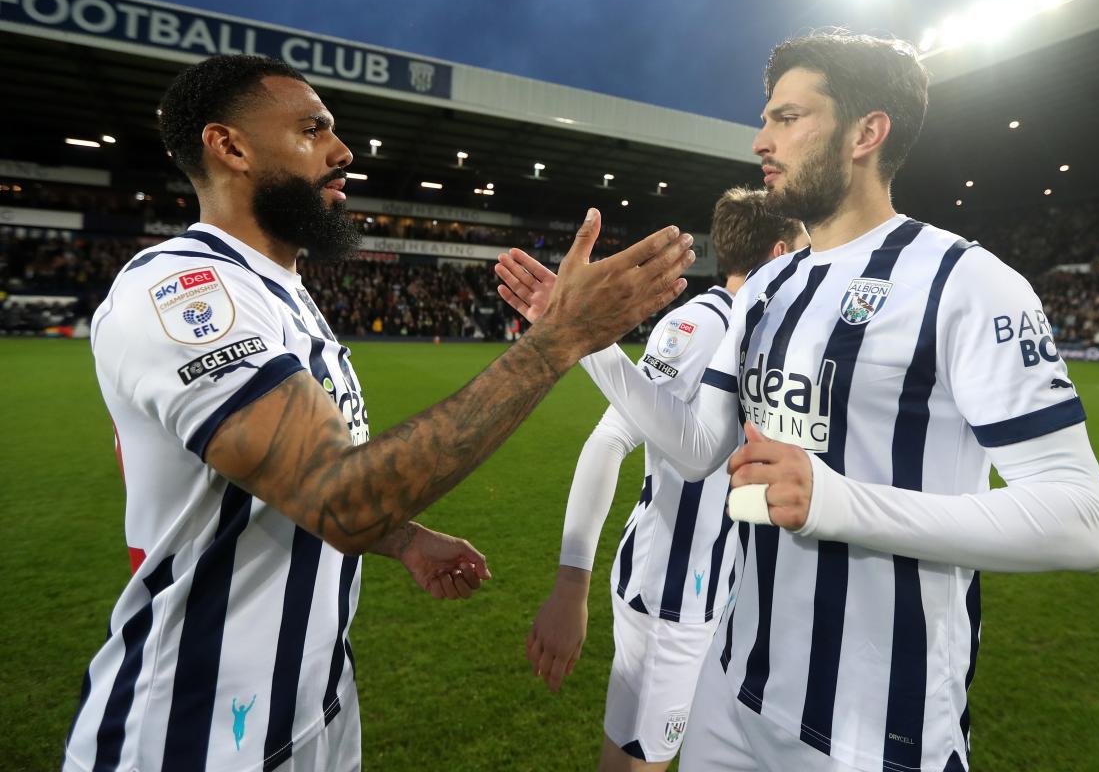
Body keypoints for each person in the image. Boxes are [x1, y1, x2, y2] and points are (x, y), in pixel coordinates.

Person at [500, 33, 1099, 772]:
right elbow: (699, 448)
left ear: (867, 132)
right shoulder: (769, 288)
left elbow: (1083, 521)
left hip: (877, 732)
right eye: (766, 119)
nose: (762, 141)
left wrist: (835, 500)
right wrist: (583, 342)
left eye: (789, 118)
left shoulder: (966, 283)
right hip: (733, 693)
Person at [63, 54, 694, 772]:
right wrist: (559, 341)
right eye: (312, 130)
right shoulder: (183, 292)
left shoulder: (283, 295)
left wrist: (402, 539)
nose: (344, 151)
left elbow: (292, 490)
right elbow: (340, 497)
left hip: (312, 710)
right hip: (193, 736)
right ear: (228, 146)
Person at [507, 188, 807, 771]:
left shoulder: (755, 332)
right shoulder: (704, 323)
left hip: (720, 591)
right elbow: (615, 439)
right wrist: (571, 585)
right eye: (804, 249)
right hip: (672, 592)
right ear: (778, 255)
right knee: (635, 761)